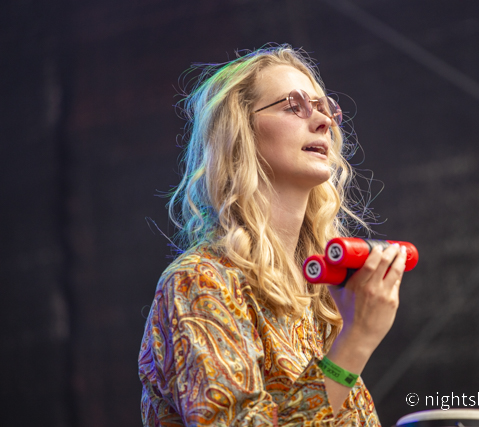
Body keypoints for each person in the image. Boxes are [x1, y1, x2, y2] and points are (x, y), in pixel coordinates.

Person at [138, 45, 407, 426]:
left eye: (325, 108)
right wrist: (357, 339)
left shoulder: (320, 299)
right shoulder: (200, 281)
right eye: (293, 106)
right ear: (239, 133)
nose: (323, 122)